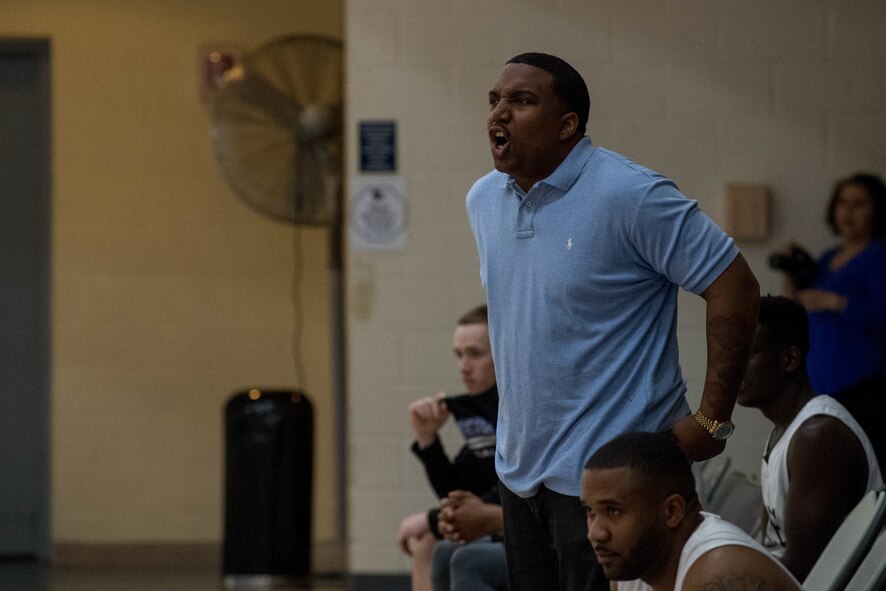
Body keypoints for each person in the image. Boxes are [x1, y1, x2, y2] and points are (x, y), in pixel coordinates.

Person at [465, 52, 760, 590]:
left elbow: (734, 284)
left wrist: (713, 418)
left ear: (568, 124)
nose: (499, 113)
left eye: (522, 101)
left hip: (613, 483)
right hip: (519, 476)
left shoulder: (630, 194)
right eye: (495, 100)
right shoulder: (483, 199)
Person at [737, 295, 882, 580]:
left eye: (747, 354)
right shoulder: (785, 430)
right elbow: (772, 543)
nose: (731, 366)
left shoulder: (818, 437)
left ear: (789, 359)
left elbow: (804, 572)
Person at [581, 432, 802, 591]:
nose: (596, 533)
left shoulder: (719, 574)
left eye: (614, 511)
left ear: (672, 511)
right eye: (590, 511)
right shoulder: (631, 563)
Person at [776, 172, 886, 473]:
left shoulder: (879, 255)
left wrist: (833, 302)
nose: (848, 211)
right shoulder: (828, 258)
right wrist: (790, 273)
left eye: (859, 203)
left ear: (877, 209)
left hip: (864, 385)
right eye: (843, 202)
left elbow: (880, 314)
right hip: (822, 386)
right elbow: (796, 308)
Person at [396, 305, 505, 591]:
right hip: (501, 525)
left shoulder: (513, 409)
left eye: (475, 354)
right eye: (458, 355)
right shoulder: (479, 415)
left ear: (503, 354)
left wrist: (432, 519)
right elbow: (455, 491)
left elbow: (507, 489)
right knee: (433, 546)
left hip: (529, 530)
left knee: (456, 554)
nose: (464, 367)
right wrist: (428, 440)